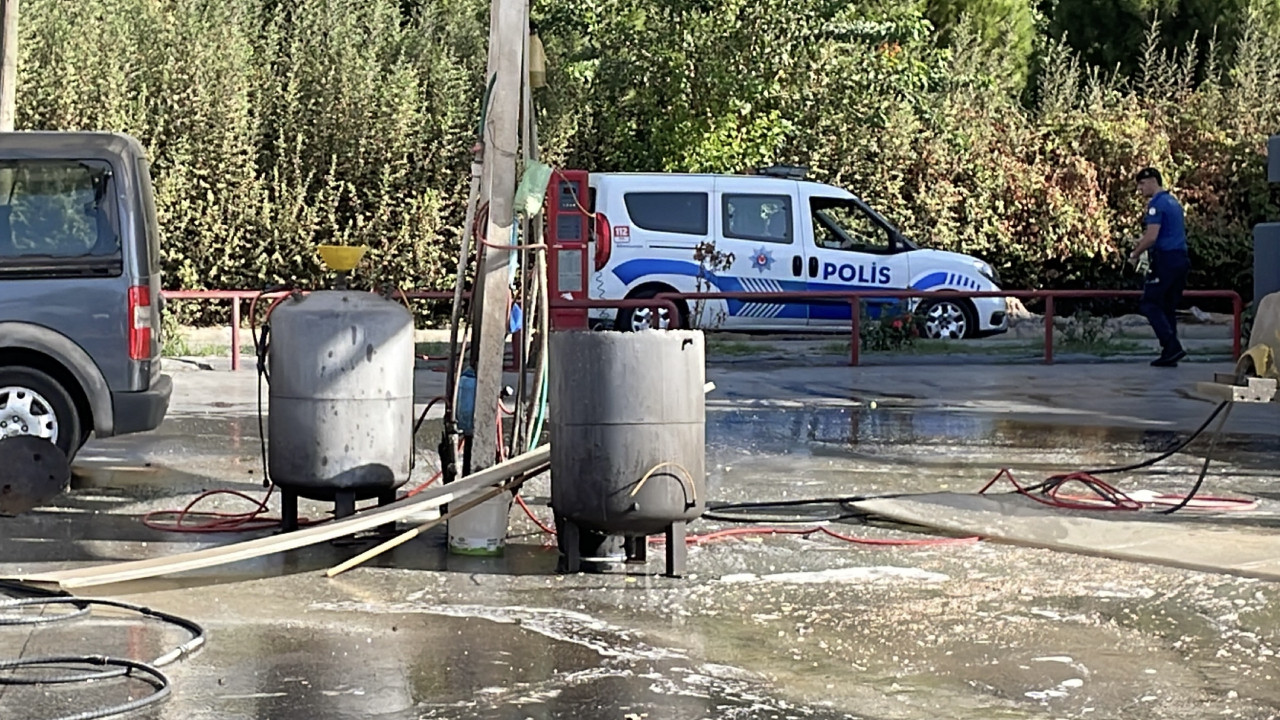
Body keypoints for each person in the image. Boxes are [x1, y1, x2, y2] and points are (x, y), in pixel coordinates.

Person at [1130, 167, 1190, 367]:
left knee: (1150, 303)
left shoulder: (1156, 204)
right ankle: (1169, 353)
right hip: (1180, 258)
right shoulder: (1173, 202)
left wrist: (1135, 253)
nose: (1140, 189)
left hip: (1166, 260)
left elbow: (1152, 236)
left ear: (1153, 180)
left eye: (1142, 184)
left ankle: (1171, 346)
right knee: (1167, 306)